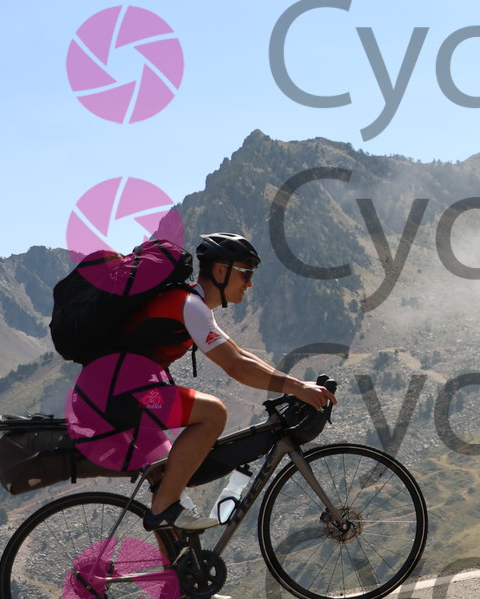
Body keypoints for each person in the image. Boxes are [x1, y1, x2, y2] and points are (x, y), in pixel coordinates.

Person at [118, 234, 336, 570]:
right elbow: (234, 367)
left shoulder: (193, 304)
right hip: (126, 394)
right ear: (221, 270)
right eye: (245, 274)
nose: (249, 284)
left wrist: (295, 385)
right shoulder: (189, 305)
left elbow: (239, 354)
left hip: (123, 391)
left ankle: (183, 580)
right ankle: (163, 510)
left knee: (167, 480)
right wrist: (296, 388)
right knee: (212, 412)